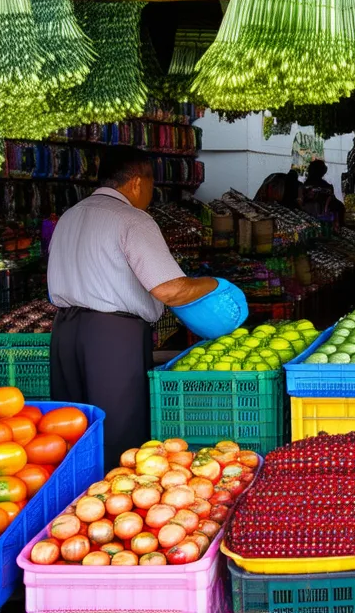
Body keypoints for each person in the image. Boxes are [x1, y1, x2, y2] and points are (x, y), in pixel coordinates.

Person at [47, 149, 228, 459]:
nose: (150, 193)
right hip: (112, 335)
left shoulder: (71, 214)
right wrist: (216, 285)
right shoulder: (132, 219)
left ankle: (72, 499)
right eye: (150, 184)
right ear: (135, 182)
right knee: (120, 434)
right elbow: (170, 290)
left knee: (71, 433)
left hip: (64, 333)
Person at [298, 159, 345, 229]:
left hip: (307, 221)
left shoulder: (303, 187)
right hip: (324, 223)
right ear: (323, 172)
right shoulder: (328, 187)